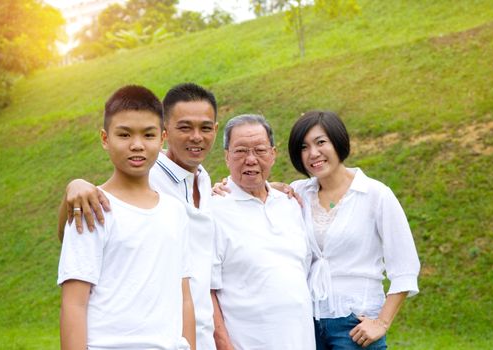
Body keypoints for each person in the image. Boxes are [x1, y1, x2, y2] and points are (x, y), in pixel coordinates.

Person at [57, 82, 219, 350]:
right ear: (105, 138)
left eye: (148, 135)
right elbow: (74, 303)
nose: (137, 145)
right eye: (124, 135)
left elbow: (184, 297)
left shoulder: (175, 210)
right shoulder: (92, 206)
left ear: (162, 138)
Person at [287, 110, 420, 349]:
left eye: (320, 142)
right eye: (304, 147)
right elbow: (259, 195)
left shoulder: (375, 194)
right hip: (306, 324)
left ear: (338, 142)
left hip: (354, 327)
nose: (313, 153)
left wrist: (381, 322)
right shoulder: (298, 193)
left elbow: (405, 266)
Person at [210, 114, 316, 350]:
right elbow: (206, 290)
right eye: (240, 151)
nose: (250, 159)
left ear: (273, 154)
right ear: (227, 156)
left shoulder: (290, 204)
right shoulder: (213, 210)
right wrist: (223, 345)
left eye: (259, 150)